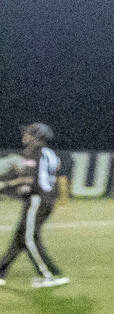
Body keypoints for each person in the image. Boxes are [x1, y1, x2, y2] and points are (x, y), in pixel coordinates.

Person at [1, 122, 67, 289]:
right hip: (46, 199)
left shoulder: (33, 153)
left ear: (38, 137)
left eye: (30, 133)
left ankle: (48, 276)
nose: (26, 136)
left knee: (27, 238)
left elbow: (28, 183)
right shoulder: (50, 153)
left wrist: (6, 189)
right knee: (20, 236)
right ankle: (1, 270)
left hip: (36, 199)